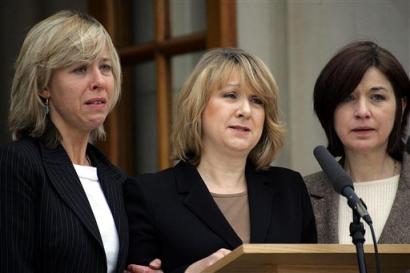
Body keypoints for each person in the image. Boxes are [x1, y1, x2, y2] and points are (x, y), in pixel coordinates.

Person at [124, 48, 317, 273]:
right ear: (198, 106)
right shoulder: (149, 194)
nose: (245, 110)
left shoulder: (289, 187)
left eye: (257, 101)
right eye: (230, 95)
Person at [0, 10, 159, 273]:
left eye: (105, 67)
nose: (98, 81)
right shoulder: (17, 164)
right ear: (43, 85)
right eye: (80, 69)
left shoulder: (115, 179)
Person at [305, 41, 410, 243]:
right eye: (347, 98)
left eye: (377, 97)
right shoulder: (302, 194)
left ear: (402, 106)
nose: (362, 111)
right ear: (329, 109)